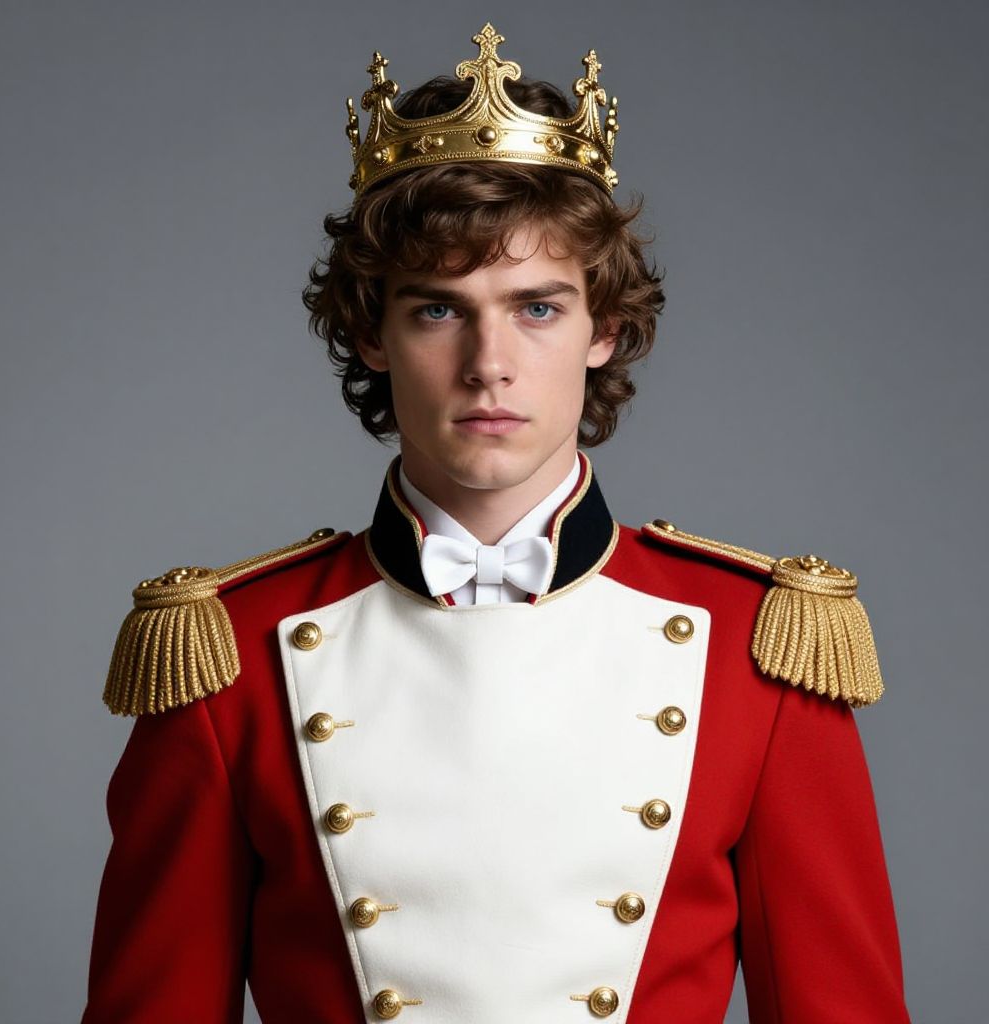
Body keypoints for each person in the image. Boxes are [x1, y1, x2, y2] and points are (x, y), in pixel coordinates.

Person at [82, 23, 911, 1024]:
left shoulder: (755, 648)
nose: (489, 364)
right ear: (371, 334)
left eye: (536, 308)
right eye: (438, 310)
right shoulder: (229, 657)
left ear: (605, 328)